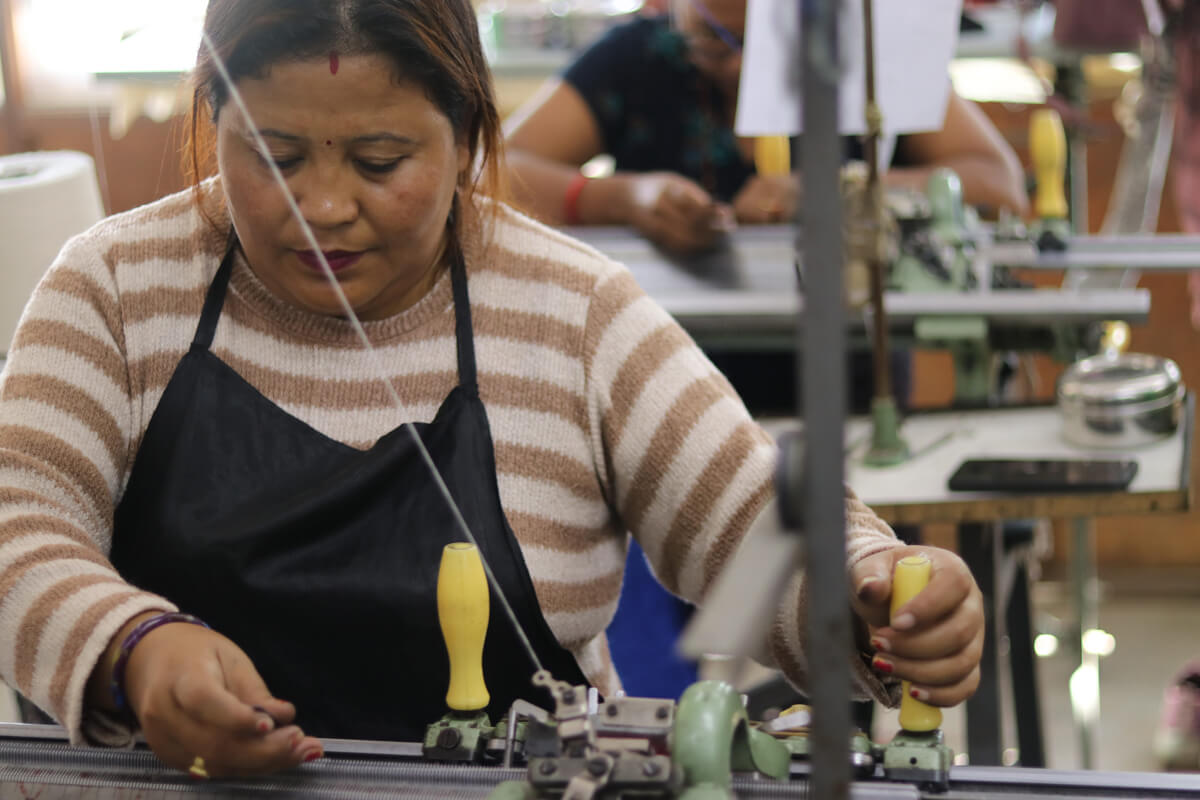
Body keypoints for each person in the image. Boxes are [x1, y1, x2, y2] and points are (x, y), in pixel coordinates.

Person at [0, 0, 984, 779]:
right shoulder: (117, 289)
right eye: (276, 156)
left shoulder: (574, 311)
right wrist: (133, 643)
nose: (325, 206)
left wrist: (880, 594)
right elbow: (17, 530)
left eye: (381, 161)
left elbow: (744, 519)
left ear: (468, 135)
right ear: (211, 121)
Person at [503, 0, 1029, 256]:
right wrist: (622, 200)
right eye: (713, 40)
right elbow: (493, 172)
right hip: (680, 367)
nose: (739, 67)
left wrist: (832, 190)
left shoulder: (861, 53)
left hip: (852, 365)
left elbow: (998, 184)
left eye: (764, 40)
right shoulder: (632, 61)